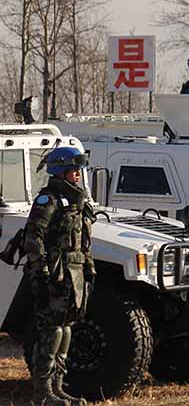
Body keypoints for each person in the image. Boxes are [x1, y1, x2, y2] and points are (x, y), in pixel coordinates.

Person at [24, 147, 96, 406]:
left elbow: (83, 242)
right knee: (51, 331)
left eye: (79, 170)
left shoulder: (77, 203)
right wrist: (41, 270)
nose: (78, 175)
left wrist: (89, 268)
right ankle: (42, 393)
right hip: (53, 274)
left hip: (72, 274)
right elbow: (34, 237)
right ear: (60, 171)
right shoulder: (49, 200)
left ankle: (57, 387)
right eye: (73, 170)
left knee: (65, 330)